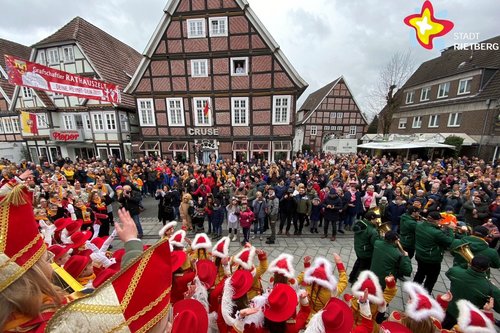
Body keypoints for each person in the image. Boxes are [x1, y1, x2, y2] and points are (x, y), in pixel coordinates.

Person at [443, 255, 500, 329]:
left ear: (470, 264)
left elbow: (449, 272)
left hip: (451, 310)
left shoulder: (455, 272)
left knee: (443, 328)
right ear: (487, 269)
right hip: (469, 317)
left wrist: (466, 264)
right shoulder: (491, 288)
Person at [413, 211, 455, 293]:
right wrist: (450, 230)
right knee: (431, 279)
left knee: (420, 274)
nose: (441, 222)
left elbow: (431, 230)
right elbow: (449, 241)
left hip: (420, 255)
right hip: (432, 259)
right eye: (440, 220)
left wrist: (442, 226)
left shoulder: (419, 225)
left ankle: (413, 291)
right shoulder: (437, 233)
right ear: (435, 221)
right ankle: (425, 295)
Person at [349, 210, 380, 284]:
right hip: (366, 252)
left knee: (358, 263)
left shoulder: (360, 223)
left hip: (359, 249)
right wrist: (380, 237)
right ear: (371, 219)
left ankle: (351, 277)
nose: (376, 221)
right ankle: (356, 283)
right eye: (375, 219)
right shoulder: (372, 231)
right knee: (363, 268)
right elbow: (375, 243)